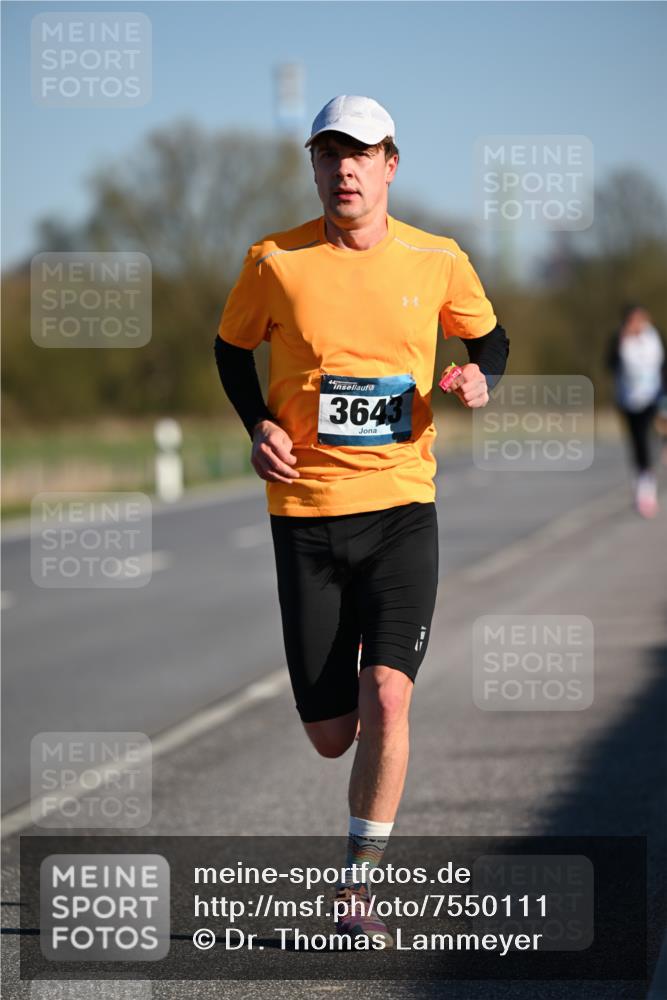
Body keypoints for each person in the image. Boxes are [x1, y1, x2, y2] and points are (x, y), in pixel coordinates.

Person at [214, 94, 509, 947]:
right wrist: (258, 424)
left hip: (401, 510)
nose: (344, 168)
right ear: (313, 167)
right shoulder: (274, 261)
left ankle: (356, 887)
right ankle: (334, 697)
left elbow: (487, 339)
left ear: (390, 165)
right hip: (303, 514)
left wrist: (477, 377)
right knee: (329, 735)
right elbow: (231, 350)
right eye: (329, 154)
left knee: (387, 696)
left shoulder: (437, 258)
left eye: (362, 153)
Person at [607, 304, 666, 518]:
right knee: (636, 441)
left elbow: (663, 365)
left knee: (647, 438)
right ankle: (642, 483)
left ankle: (646, 488)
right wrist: (622, 340)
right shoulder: (620, 340)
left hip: (652, 396)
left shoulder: (654, 338)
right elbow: (610, 365)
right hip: (628, 400)